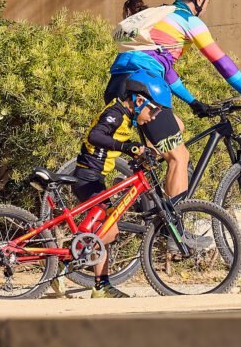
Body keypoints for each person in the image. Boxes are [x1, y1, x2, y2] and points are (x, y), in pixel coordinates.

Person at [106, 0, 241, 199]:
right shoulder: (189, 21)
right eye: (207, 0)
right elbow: (223, 63)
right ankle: (176, 230)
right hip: (143, 87)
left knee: (177, 126)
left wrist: (194, 102)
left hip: (117, 84)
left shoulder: (158, 15)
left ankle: (134, 181)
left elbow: (166, 71)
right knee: (179, 157)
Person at [71, 70, 174, 298]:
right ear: (139, 101)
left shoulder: (127, 117)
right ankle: (70, 260)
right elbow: (96, 137)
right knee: (109, 229)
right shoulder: (116, 113)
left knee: (106, 229)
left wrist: (141, 153)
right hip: (87, 178)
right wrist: (129, 148)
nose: (155, 116)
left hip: (95, 178)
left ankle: (100, 285)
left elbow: (119, 142)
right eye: (154, 109)